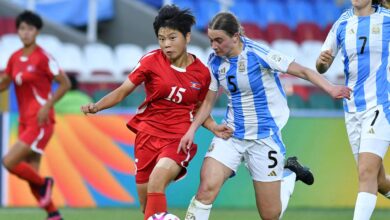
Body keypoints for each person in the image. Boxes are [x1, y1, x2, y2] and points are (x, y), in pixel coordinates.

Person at [179, 12, 352, 220]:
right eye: (211, 40)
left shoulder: (258, 54)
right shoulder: (215, 61)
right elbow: (208, 101)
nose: (214, 46)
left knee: (270, 215)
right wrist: (191, 131)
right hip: (231, 135)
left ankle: (289, 175)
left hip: (264, 138)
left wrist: (331, 88)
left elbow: (304, 72)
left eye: (219, 40)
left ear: (235, 37)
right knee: (206, 188)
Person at [80, 5, 230, 220]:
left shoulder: (202, 73)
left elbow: (199, 109)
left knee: (157, 178)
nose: (166, 45)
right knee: (147, 207)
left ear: (187, 37)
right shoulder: (151, 61)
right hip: (147, 137)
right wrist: (97, 106)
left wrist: (213, 126)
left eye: (172, 37)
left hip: (178, 138)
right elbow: (123, 91)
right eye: (161, 39)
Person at [316, 0, 390, 219]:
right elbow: (321, 66)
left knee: (366, 173)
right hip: (352, 108)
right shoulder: (342, 24)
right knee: (377, 181)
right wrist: (322, 61)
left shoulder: (387, 19)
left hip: (381, 105)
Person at [0, 11, 70, 220]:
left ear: (37, 31)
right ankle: (54, 215)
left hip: (40, 120)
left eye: (30, 29)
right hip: (24, 121)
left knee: (9, 162)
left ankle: (45, 183)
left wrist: (48, 105)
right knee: (32, 177)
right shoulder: (14, 58)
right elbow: (6, 82)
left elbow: (65, 83)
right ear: (18, 31)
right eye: (22, 28)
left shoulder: (43, 57)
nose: (25, 32)